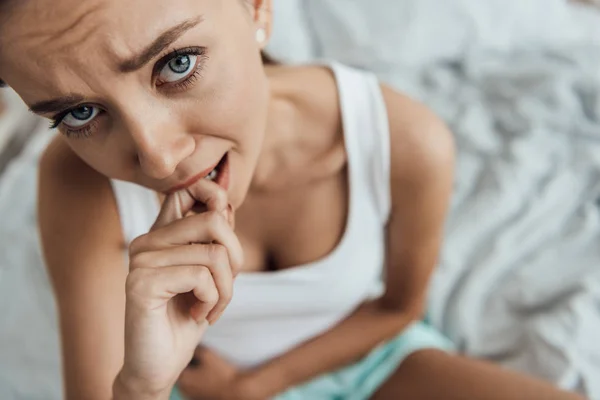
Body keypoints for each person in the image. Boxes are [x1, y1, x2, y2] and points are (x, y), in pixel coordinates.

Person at [0, 0, 586, 399]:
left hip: (361, 364)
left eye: (176, 64)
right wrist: (143, 386)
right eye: (80, 113)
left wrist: (254, 389)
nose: (157, 157)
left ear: (256, 8)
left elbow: (396, 309)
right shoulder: (79, 187)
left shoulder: (403, 141)